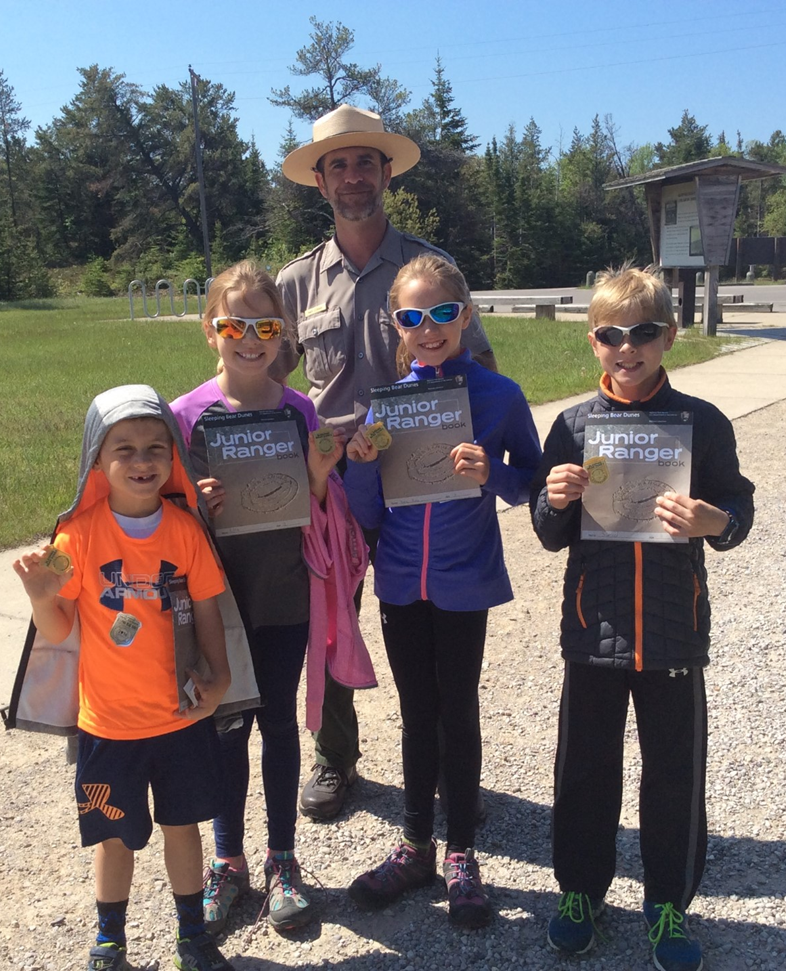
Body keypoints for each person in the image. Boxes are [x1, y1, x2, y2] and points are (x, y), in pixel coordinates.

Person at [274, 103, 499, 822]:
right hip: (334, 479)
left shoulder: (431, 271)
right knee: (329, 619)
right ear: (319, 181)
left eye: (365, 161)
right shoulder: (297, 282)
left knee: (424, 624)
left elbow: (481, 364)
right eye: (337, 164)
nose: (352, 175)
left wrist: (480, 454)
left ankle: (432, 763)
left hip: (421, 479)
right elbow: (266, 382)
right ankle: (336, 757)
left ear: (387, 171)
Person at [529, 265, 755, 971]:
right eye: (611, 335)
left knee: (674, 774)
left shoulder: (702, 423)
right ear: (593, 341)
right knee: (584, 770)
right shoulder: (571, 426)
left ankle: (667, 904)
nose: (627, 348)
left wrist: (714, 520)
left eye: (644, 333)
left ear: (669, 336)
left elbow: (737, 510)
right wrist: (555, 498)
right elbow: (547, 532)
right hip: (591, 633)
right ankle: (580, 892)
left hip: (672, 633)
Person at [341, 254, 541, 928]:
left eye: (443, 313)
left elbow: (535, 485)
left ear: (468, 313)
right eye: (412, 316)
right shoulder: (388, 401)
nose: (429, 329)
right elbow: (367, 511)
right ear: (396, 324)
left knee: (457, 708)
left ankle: (461, 852)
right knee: (415, 709)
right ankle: (415, 844)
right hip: (401, 579)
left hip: (463, 579)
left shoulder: (500, 396)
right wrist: (360, 465)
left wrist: (495, 474)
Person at [11, 385, 236, 971]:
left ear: (173, 457)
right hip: (108, 725)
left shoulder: (185, 531)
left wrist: (220, 679)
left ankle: (193, 937)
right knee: (113, 839)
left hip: (180, 715)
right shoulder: (75, 537)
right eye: (124, 449)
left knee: (183, 826)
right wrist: (40, 599)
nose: (142, 462)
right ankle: (109, 943)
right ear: (97, 460)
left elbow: (209, 606)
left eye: (156, 448)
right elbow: (58, 627)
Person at [170, 261, 347, 937]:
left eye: (265, 325)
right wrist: (195, 510)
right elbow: (165, 519)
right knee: (223, 730)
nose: (250, 338)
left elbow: (324, 509)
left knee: (277, 726)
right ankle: (228, 859)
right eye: (234, 324)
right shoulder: (185, 415)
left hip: (283, 598)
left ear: (282, 335)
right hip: (219, 605)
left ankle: (282, 859)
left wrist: (322, 478)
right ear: (211, 330)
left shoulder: (300, 409)